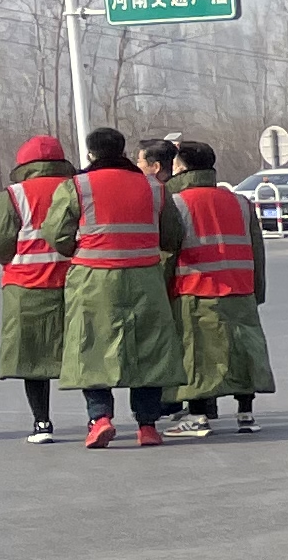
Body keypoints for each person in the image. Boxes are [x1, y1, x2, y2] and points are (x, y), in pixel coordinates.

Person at [48, 125, 187, 447]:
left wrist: (79, 250)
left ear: (90, 154)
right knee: (149, 350)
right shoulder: (154, 188)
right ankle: (148, 425)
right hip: (144, 277)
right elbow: (172, 236)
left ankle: (100, 419)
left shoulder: (76, 187)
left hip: (93, 279)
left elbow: (56, 234)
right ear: (123, 151)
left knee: (92, 346)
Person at [163, 139, 272, 433]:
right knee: (243, 350)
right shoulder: (240, 202)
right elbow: (256, 250)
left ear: (182, 167)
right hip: (240, 287)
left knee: (198, 355)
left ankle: (198, 416)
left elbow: (168, 251)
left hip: (196, 288)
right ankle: (245, 414)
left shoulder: (176, 203)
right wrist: (256, 290)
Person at [0, 133, 78, 441]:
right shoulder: (76, 189)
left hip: (26, 285)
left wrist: (9, 258)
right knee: (83, 350)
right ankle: (98, 417)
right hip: (75, 282)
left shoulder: (13, 195)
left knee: (33, 358)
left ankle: (42, 423)